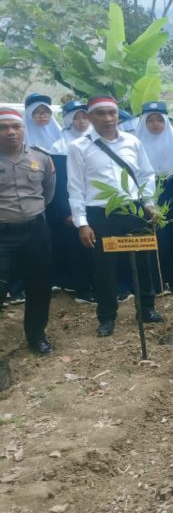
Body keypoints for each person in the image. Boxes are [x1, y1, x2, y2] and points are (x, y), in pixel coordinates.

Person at [67, 96, 164, 337]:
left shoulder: (132, 142)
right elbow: (75, 188)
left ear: (118, 115)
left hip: (134, 211)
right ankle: (107, 317)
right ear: (90, 117)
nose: (108, 118)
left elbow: (146, 174)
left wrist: (149, 203)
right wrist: (82, 223)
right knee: (104, 268)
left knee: (144, 262)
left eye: (112, 113)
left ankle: (147, 309)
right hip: (102, 214)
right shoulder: (79, 147)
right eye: (101, 113)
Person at [0, 105, 56, 355]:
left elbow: (48, 192)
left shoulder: (41, 157)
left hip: (36, 231)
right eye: (3, 128)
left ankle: (36, 336)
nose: (10, 132)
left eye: (16, 126)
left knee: (39, 285)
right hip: (3, 236)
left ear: (24, 129)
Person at [46, 100, 94, 302]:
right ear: (68, 120)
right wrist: (68, 211)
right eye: (76, 118)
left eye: (85, 116)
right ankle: (80, 289)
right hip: (72, 208)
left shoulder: (96, 141)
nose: (82, 122)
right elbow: (58, 184)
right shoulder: (59, 147)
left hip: (93, 204)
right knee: (76, 249)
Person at [136, 101, 173, 294]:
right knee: (155, 239)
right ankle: (156, 282)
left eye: (159, 120)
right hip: (147, 193)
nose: (155, 124)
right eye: (150, 121)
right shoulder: (135, 143)